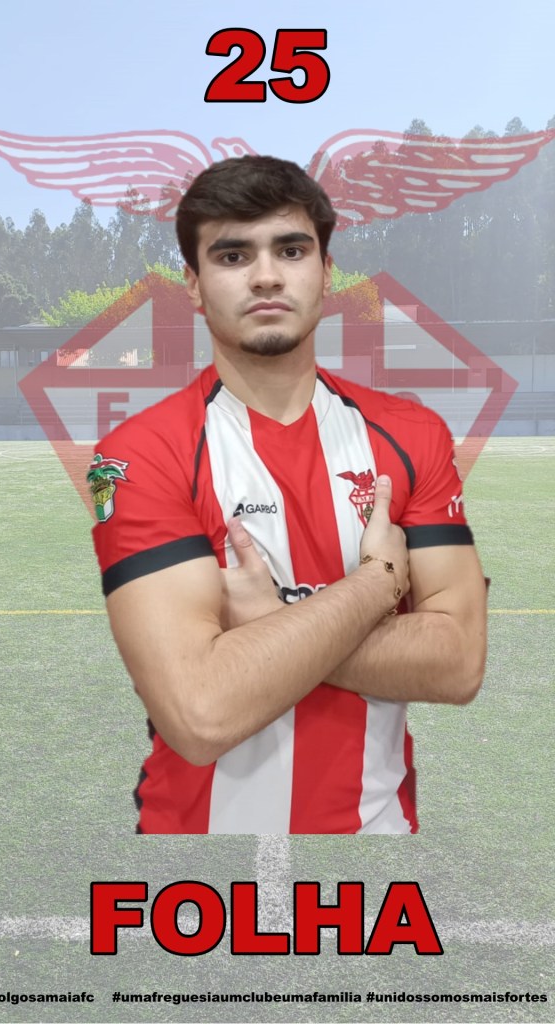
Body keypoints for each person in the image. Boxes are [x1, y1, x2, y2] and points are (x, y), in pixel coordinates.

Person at [88, 155, 487, 835]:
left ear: (326, 271)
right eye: (233, 255)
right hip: (195, 854)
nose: (267, 275)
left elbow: (457, 664)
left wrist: (270, 621)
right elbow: (200, 713)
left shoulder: (411, 435)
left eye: (292, 250)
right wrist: (374, 586)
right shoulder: (137, 454)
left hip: (374, 844)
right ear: (193, 284)